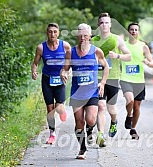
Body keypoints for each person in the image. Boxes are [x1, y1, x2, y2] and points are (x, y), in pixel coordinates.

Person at [60, 23, 109, 159]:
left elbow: (106, 67)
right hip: (77, 92)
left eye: (85, 35)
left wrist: (103, 83)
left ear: (90, 36)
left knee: (91, 119)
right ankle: (82, 149)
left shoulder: (96, 51)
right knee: (79, 122)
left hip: (92, 91)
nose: (82, 38)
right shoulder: (71, 52)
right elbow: (65, 68)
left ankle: (90, 130)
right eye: (80, 35)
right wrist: (63, 73)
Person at [88, 12, 131, 147]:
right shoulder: (93, 41)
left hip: (112, 78)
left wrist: (117, 56)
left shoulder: (117, 39)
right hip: (97, 78)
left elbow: (128, 56)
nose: (104, 25)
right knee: (100, 106)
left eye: (106, 22)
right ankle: (100, 135)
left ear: (110, 25)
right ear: (98, 25)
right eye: (102, 23)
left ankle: (114, 121)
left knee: (111, 108)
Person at [31, 23, 71, 144]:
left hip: (60, 79)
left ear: (58, 33)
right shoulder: (41, 48)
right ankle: (52, 133)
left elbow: (70, 61)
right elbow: (35, 63)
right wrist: (34, 71)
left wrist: (67, 71)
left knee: (59, 108)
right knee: (50, 108)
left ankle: (62, 111)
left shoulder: (65, 46)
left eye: (54, 31)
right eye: (50, 32)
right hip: (47, 79)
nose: (52, 34)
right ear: (47, 33)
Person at [120, 23, 153, 139]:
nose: (134, 31)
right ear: (128, 32)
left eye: (136, 30)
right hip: (125, 78)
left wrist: (147, 62)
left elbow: (152, 64)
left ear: (138, 32)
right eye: (131, 30)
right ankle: (129, 115)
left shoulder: (143, 46)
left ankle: (133, 129)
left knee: (137, 107)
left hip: (139, 80)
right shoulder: (122, 45)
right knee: (130, 101)